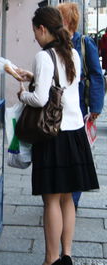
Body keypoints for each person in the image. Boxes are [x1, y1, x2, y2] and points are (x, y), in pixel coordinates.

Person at [16, 7, 99, 265]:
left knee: (50, 199)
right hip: (75, 133)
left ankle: (50, 260)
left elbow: (40, 99)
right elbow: (64, 86)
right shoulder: (72, 52)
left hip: (52, 134)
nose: (35, 38)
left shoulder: (43, 57)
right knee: (67, 199)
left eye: (35, 33)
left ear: (42, 29)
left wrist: (21, 94)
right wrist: (35, 78)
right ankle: (66, 255)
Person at [57, 3, 105, 210]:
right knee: (59, 154)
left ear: (66, 21)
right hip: (57, 110)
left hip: (78, 110)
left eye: (57, 17)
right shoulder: (54, 43)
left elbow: (96, 75)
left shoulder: (84, 43)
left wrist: (95, 106)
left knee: (75, 155)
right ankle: (59, 195)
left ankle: (72, 201)